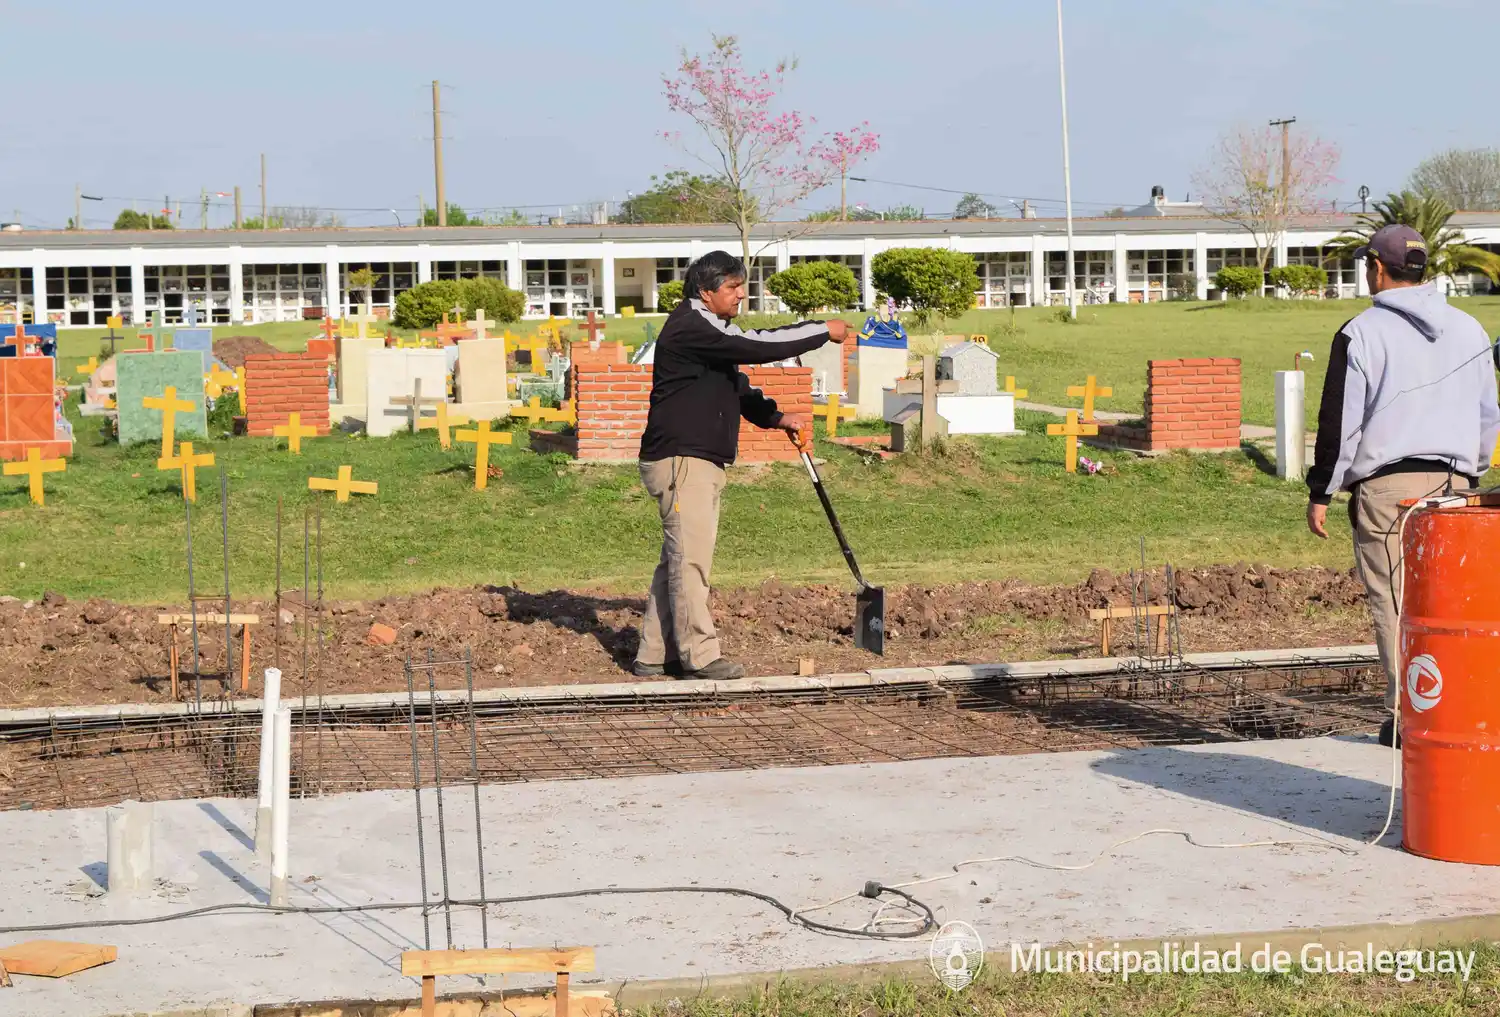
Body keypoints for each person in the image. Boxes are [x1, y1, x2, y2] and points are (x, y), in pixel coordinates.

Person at [1306, 224, 1499, 747]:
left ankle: (1410, 716)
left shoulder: (1362, 332)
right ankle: (1459, 710)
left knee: (1397, 603)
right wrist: (1473, 475)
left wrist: (1322, 490)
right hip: (1459, 487)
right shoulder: (1470, 328)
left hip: (1390, 490)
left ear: (1376, 267)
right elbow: (1489, 413)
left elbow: (1340, 421)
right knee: (1452, 605)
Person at [634, 251, 849, 680]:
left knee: (678, 559)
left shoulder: (708, 331)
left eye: (741, 287)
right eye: (732, 287)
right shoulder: (692, 325)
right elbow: (757, 346)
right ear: (705, 291)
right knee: (691, 562)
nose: (740, 295)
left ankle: (654, 653)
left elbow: (737, 386)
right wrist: (822, 331)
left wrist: (777, 418)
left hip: (693, 460)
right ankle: (700, 656)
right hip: (683, 460)